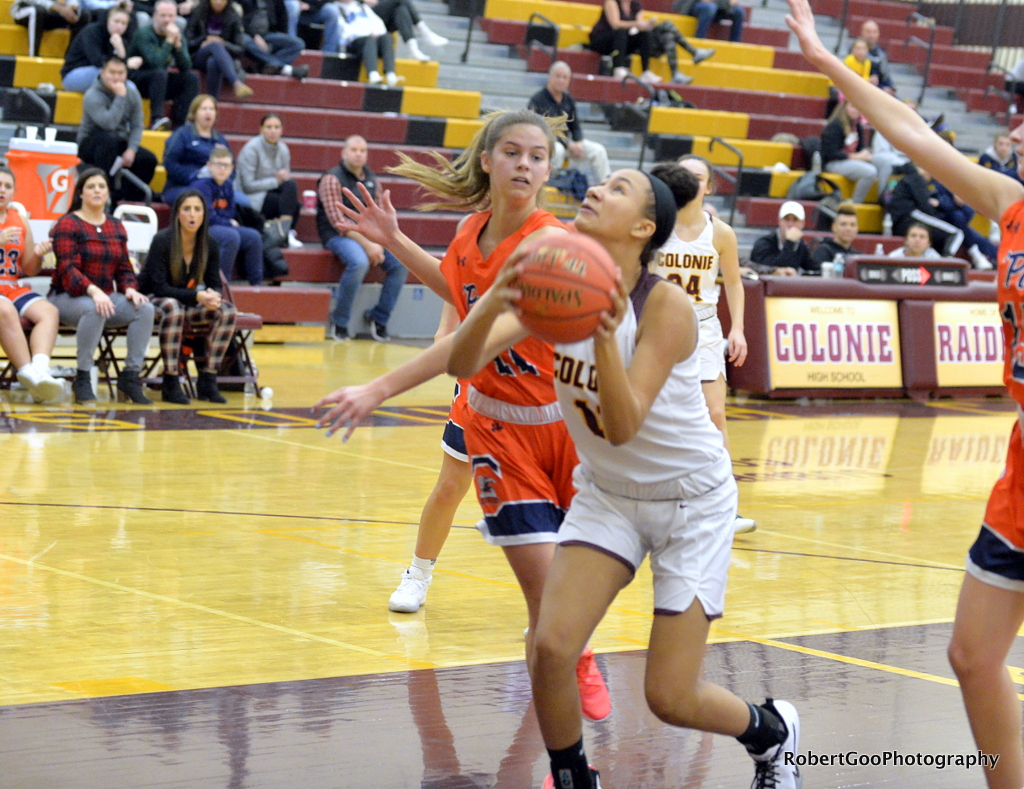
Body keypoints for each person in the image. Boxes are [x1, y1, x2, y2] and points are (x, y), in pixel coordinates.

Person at [445, 168, 801, 789]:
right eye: (601, 182)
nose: (596, 189)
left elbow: (624, 423)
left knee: (669, 695)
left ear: (643, 227)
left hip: (691, 503)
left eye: (617, 189)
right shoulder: (561, 283)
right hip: (609, 495)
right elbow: (463, 362)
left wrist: (604, 339)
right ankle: (574, 777)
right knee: (552, 647)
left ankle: (772, 733)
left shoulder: (668, 307)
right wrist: (497, 297)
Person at [786, 4, 1024, 787]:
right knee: (971, 654)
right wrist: (826, 59)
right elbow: (911, 130)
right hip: (1021, 467)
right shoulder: (1009, 203)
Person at [316, 108, 611, 722]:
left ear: (550, 169)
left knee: (555, 611)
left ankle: (563, 722)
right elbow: (460, 295)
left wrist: (378, 388)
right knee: (547, 607)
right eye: (512, 152)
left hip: (565, 427)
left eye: (537, 156)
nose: (525, 164)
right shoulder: (472, 230)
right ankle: (569, 723)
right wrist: (394, 240)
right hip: (497, 431)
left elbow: (469, 343)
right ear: (487, 160)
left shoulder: (549, 243)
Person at [651, 155, 755, 534]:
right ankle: (660, 501)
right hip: (660, 330)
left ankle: (724, 507)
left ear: (709, 187)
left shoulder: (722, 233)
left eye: (698, 178)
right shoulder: (655, 227)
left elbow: (734, 283)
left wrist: (738, 328)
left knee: (716, 415)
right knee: (656, 418)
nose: (690, 182)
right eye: (684, 175)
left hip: (705, 331)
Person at [48, 168, 155, 405]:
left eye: (101, 186)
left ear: (107, 193)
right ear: (80, 193)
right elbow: (67, 270)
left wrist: (129, 288)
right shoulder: (67, 223)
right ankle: (83, 375)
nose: (97, 190)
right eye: (91, 186)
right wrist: (93, 290)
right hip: (66, 296)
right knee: (94, 307)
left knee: (144, 309)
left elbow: (125, 267)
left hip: (105, 297)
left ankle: (130, 376)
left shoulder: (116, 226)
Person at [139, 189, 236, 404]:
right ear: (177, 215)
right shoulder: (162, 240)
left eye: (197, 210)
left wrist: (213, 297)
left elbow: (214, 284)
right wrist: (198, 296)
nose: (192, 215)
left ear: (204, 215)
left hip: (187, 303)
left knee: (227, 310)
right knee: (173, 307)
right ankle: (171, 380)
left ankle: (208, 379)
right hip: (154, 300)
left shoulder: (209, 243)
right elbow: (159, 287)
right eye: (187, 209)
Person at [317, 135, 406, 341]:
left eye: (362, 150)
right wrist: (369, 245)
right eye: (354, 150)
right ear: (344, 153)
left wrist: (379, 242)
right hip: (337, 235)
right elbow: (338, 222)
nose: (358, 154)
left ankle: (379, 318)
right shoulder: (331, 178)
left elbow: (381, 217)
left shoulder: (373, 180)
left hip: (369, 236)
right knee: (359, 262)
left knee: (401, 263)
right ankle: (339, 321)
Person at [0, 168, 64, 404]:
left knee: (49, 312)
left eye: (8, 186)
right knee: (4, 309)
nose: (2, 190)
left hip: (10, 285)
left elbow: (29, 269)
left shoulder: (20, 219)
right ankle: (26, 371)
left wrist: (37, 254)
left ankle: (40, 371)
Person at [77, 55, 158, 203]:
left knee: (148, 159)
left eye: (120, 73)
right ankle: (108, 192)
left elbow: (137, 124)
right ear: (102, 73)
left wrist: (132, 150)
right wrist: (120, 97)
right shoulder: (92, 95)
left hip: (117, 141)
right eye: (112, 73)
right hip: (91, 143)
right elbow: (109, 124)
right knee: (109, 140)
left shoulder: (132, 93)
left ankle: (127, 195)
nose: (116, 77)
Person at [191, 145, 264, 285]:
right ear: (209, 165)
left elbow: (230, 211)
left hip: (220, 225)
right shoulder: (201, 185)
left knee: (253, 236)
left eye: (226, 166)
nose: (222, 169)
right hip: (202, 227)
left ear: (231, 169)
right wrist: (228, 223)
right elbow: (207, 217)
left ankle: (256, 284)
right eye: (218, 165)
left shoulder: (228, 185)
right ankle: (220, 284)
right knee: (231, 236)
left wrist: (226, 221)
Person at [527, 62, 610, 184]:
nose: (561, 80)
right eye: (558, 76)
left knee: (598, 150)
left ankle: (607, 185)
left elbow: (575, 125)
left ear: (569, 81)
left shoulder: (568, 100)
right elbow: (542, 131)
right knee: (558, 149)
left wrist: (578, 142)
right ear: (550, 76)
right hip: (545, 143)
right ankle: (551, 185)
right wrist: (568, 144)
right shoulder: (537, 100)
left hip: (567, 143)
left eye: (565, 77)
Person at [128, 0, 200, 130]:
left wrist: (178, 47)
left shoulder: (176, 34)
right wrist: (169, 41)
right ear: (155, 16)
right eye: (163, 16)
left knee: (191, 78)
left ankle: (182, 123)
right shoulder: (144, 33)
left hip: (159, 82)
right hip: (137, 80)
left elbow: (186, 66)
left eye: (171, 16)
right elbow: (156, 63)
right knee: (160, 73)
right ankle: (156, 119)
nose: (167, 20)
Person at [237, 113, 301, 247]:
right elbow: (247, 185)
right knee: (289, 204)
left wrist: (282, 179)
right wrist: (275, 181)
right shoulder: (251, 149)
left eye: (277, 127)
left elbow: (285, 181)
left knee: (291, 187)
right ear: (261, 129)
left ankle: (283, 232)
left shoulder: (283, 149)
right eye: (269, 127)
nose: (273, 131)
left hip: (270, 191)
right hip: (251, 195)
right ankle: (285, 232)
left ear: (282, 130)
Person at [162, 94, 231, 205]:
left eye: (211, 109)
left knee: (243, 201)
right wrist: (195, 177)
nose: (208, 112)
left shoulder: (220, 140)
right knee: (202, 197)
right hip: (182, 187)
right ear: (194, 113)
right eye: (204, 109)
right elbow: (170, 163)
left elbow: (231, 167)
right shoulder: (182, 134)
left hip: (215, 188)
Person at [887, 162, 964, 256]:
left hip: (897, 222)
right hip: (908, 217)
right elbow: (926, 207)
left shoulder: (902, 179)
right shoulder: (916, 178)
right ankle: (946, 265)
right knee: (957, 234)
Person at [61, 3, 139, 92]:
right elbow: (97, 61)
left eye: (124, 23)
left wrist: (121, 51)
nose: (119, 26)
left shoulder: (122, 40)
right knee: (110, 76)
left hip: (103, 75)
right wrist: (126, 63)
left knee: (131, 88)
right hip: (74, 75)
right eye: (116, 21)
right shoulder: (92, 32)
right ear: (107, 20)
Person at [186, 0, 254, 99]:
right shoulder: (198, 12)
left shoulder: (233, 16)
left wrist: (223, 43)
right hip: (198, 56)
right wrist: (204, 39)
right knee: (214, 45)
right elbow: (188, 42)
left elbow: (240, 48)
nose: (218, 2)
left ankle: (213, 100)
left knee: (213, 62)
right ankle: (236, 82)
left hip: (223, 59)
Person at [821, 98, 877, 205]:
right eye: (852, 106)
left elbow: (860, 148)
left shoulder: (858, 126)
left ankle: (882, 198)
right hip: (834, 163)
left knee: (882, 162)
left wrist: (866, 153)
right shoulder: (835, 126)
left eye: (858, 107)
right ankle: (855, 204)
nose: (856, 110)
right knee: (870, 172)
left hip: (851, 160)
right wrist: (855, 156)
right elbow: (831, 153)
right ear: (845, 107)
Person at [588, 0, 659, 84]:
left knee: (644, 34)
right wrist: (637, 24)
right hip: (604, 39)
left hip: (623, 41)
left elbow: (640, 24)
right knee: (621, 31)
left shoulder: (635, 4)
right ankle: (619, 67)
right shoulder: (612, 2)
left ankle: (646, 71)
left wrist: (646, 25)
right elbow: (615, 24)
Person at [237, 0, 308, 79]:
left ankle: (266, 67)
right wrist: (254, 35)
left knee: (297, 44)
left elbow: (282, 17)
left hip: (267, 34)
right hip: (245, 33)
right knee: (243, 39)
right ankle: (283, 68)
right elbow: (236, 20)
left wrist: (282, 37)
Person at [337, 0, 400, 87]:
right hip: (355, 41)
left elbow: (378, 23)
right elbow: (344, 30)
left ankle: (390, 74)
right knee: (369, 39)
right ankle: (372, 74)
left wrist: (376, 33)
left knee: (387, 37)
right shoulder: (337, 8)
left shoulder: (361, 7)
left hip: (372, 38)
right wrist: (367, 33)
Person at [362, 0, 447, 63]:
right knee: (401, 2)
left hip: (382, 17)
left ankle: (413, 49)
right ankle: (425, 33)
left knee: (401, 11)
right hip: (363, 14)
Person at [748, 201, 818, 275]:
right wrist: (790, 242)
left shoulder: (800, 245)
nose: (790, 224)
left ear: (802, 224)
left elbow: (812, 267)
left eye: (795, 220)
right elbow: (775, 270)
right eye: (787, 219)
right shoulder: (764, 243)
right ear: (779, 221)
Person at [647, 18, 715, 84]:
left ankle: (676, 74)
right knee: (667, 24)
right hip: (641, 45)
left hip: (649, 43)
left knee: (669, 36)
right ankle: (694, 52)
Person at [11, 0, 88, 56]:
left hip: (52, 12)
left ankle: (69, 58)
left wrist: (72, 7)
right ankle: (33, 55)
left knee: (83, 15)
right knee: (37, 11)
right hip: (25, 9)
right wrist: (56, 7)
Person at [812, 201, 858, 265]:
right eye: (843, 224)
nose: (848, 229)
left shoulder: (858, 256)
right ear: (834, 227)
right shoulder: (824, 251)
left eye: (852, 225)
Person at [672, 0, 742, 42]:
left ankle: (735, 42)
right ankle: (699, 39)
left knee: (739, 12)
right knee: (710, 8)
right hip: (696, 4)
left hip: (720, 6)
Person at [859, 20, 895, 94]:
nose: (871, 35)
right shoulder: (856, 50)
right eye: (868, 32)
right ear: (862, 33)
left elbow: (885, 75)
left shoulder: (881, 52)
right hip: (862, 87)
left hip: (880, 88)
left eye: (874, 32)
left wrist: (891, 87)